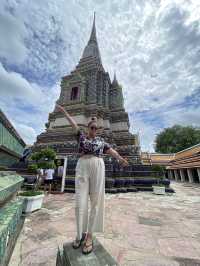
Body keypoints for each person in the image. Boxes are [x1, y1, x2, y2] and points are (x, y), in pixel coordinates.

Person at [56, 103, 129, 255]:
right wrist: (63, 111)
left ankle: (90, 235)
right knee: (80, 202)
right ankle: (79, 234)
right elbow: (73, 123)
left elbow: (111, 151)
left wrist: (121, 159)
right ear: (88, 128)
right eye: (92, 127)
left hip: (97, 164)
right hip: (82, 165)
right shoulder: (81, 136)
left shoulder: (102, 142)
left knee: (96, 202)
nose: (94, 130)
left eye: (96, 128)